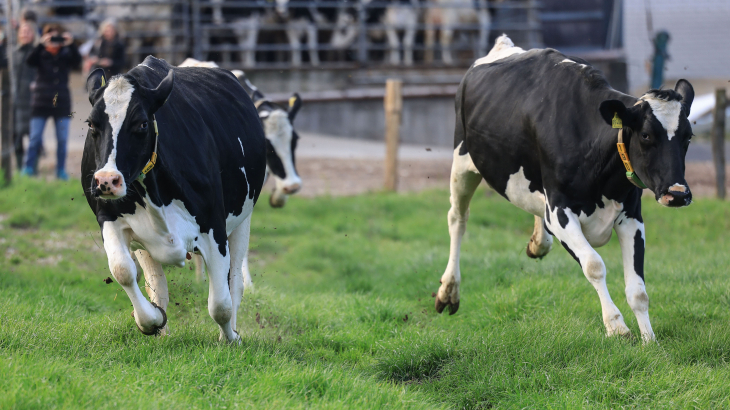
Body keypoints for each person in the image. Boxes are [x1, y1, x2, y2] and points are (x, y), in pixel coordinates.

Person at [23, 23, 81, 179]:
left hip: (61, 102)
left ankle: (60, 170)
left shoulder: (66, 54)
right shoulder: (40, 53)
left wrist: (72, 44)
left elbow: (77, 62)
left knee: (62, 140)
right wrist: (41, 43)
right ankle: (28, 168)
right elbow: (29, 60)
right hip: (41, 102)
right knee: (35, 138)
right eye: (51, 36)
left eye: (57, 36)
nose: (54, 40)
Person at [12, 22, 39, 170]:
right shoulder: (13, 53)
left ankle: (32, 169)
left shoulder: (37, 53)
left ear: (33, 34)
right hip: (16, 102)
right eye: (22, 32)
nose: (24, 34)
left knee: (33, 137)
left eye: (28, 31)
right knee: (16, 137)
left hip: (33, 101)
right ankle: (18, 168)